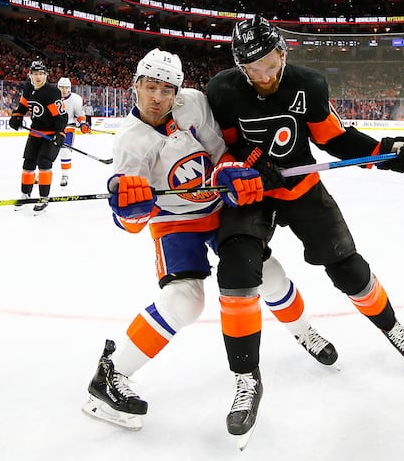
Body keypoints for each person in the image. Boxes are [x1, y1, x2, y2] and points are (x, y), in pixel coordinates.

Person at [82, 49, 336, 439]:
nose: (157, 98)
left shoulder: (196, 104)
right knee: (185, 300)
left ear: (178, 92)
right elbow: (131, 222)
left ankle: (305, 331)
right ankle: (111, 376)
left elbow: (221, 155)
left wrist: (234, 172)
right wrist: (127, 206)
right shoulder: (130, 142)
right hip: (174, 222)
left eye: (167, 90)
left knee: (268, 274)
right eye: (150, 87)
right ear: (136, 85)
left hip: (217, 210)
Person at [206, 15, 404, 438]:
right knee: (235, 271)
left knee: (346, 264)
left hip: (303, 190)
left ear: (283, 52)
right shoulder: (222, 91)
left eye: (271, 64)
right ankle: (246, 378)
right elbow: (221, 149)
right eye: (254, 70)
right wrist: (241, 168)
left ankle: (391, 327)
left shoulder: (308, 85)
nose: (265, 76)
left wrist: (390, 152)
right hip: (251, 195)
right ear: (240, 67)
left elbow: (336, 140)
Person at [8, 59, 68, 214]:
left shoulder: (52, 92)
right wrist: (17, 116)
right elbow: (23, 106)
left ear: (46, 75)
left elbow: (61, 117)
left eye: (41, 74)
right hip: (35, 132)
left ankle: (43, 198)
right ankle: (25, 193)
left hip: (51, 134)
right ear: (30, 75)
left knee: (44, 162)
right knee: (28, 162)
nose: (38, 77)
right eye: (35, 74)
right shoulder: (28, 88)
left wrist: (60, 133)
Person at [55, 77, 90, 187]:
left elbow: (80, 115)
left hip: (68, 129)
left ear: (70, 88)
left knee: (65, 152)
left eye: (66, 87)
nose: (64, 90)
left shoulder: (75, 99)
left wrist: (83, 124)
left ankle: (65, 175)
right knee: (47, 153)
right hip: (53, 129)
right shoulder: (52, 97)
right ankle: (42, 173)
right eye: (62, 87)